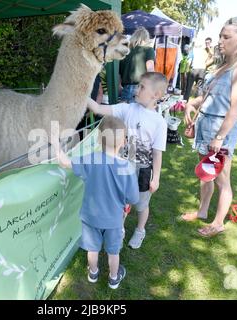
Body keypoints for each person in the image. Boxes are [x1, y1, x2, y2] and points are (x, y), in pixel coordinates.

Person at [181, 16, 237, 237]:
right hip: (205, 125)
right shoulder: (222, 65)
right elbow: (206, 96)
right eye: (220, 36)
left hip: (220, 129)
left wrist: (220, 137)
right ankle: (203, 211)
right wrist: (189, 104)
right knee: (205, 174)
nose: (220, 41)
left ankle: (218, 223)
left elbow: (234, 108)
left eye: (226, 37)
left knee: (223, 179)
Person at [52, 116, 139, 289]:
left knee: (92, 249)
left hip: (90, 216)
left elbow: (64, 162)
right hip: (114, 220)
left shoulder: (90, 159)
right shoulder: (127, 167)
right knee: (113, 252)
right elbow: (134, 198)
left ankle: (93, 273)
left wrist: (55, 142)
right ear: (123, 142)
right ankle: (114, 278)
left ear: (99, 139)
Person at [87, 72, 168, 249]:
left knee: (141, 204)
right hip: (123, 167)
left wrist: (156, 178)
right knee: (121, 201)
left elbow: (157, 153)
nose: (136, 89)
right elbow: (98, 109)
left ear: (156, 95)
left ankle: (140, 230)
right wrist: (81, 94)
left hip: (143, 171)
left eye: (142, 87)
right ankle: (119, 228)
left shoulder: (159, 122)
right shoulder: (127, 108)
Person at [119, 27, 155, 103]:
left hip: (125, 88)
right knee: (136, 114)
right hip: (140, 89)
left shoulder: (126, 51)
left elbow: (119, 72)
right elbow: (150, 70)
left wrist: (119, 86)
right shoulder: (148, 50)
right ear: (145, 38)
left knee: (124, 114)